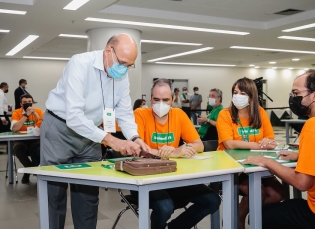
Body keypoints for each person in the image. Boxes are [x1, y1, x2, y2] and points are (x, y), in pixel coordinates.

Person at [40, 34, 150, 229]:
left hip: (92, 135)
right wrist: (113, 141)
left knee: (87, 196)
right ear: (108, 50)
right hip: (60, 129)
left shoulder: (121, 76)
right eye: (122, 62)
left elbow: (124, 112)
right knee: (54, 195)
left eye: (129, 65)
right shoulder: (80, 63)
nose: (124, 69)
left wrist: (135, 137)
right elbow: (74, 116)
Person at [243, 70, 315, 229]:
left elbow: (302, 183)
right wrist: (300, 156)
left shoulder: (314, 125)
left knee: (260, 216)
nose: (292, 98)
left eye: (296, 93)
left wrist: (268, 162)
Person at [133, 78, 221, 229]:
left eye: (166, 99)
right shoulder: (140, 114)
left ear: (173, 99)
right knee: (165, 207)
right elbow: (138, 150)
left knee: (212, 200)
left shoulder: (179, 115)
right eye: (156, 99)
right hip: (147, 179)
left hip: (175, 177)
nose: (161, 104)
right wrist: (171, 153)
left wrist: (183, 149)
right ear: (150, 98)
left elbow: (199, 145)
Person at [216, 77, 284, 229]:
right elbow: (229, 143)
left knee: (278, 194)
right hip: (232, 166)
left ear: (251, 96)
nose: (237, 96)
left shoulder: (259, 112)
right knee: (258, 192)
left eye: (242, 93)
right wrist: (260, 146)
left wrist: (267, 143)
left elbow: (270, 139)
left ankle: (245, 213)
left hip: (257, 165)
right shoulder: (225, 114)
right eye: (235, 92)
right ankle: (239, 219)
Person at [11, 94, 43, 183]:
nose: (28, 104)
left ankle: (28, 172)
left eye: (29, 102)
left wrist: (35, 114)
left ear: (32, 102)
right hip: (21, 140)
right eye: (25, 102)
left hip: (35, 140)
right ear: (21, 104)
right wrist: (25, 115)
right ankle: (31, 170)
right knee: (17, 149)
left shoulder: (39, 111)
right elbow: (14, 128)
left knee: (38, 148)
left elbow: (44, 124)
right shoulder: (16, 112)